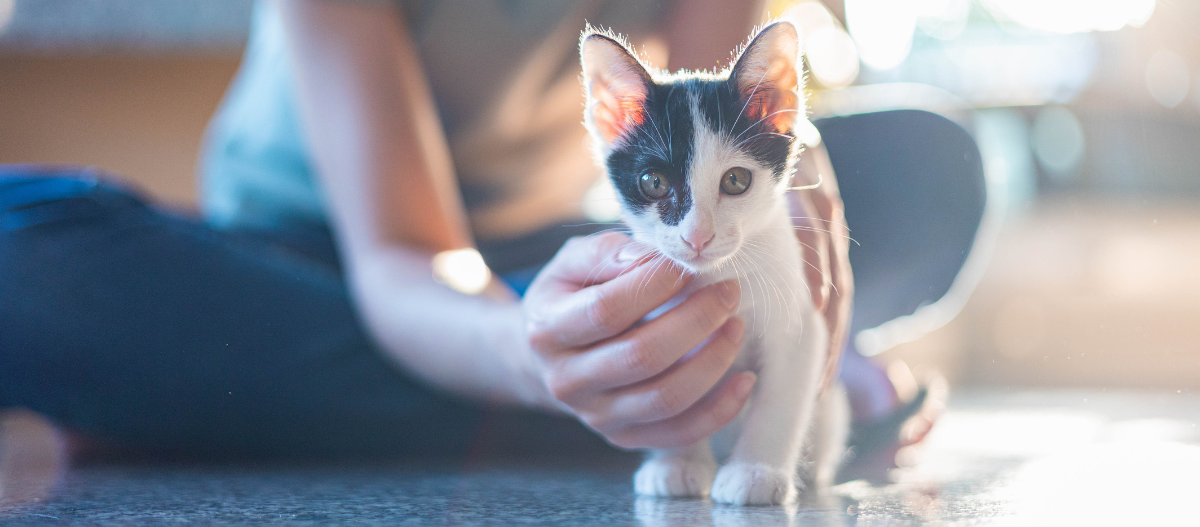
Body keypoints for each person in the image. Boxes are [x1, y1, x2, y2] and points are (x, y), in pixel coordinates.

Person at [0, 0, 983, 472]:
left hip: (547, 254)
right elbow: (403, 254)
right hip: (307, 262)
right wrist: (535, 353)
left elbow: (721, 142)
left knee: (929, 166)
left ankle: (225, 403)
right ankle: (594, 399)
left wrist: (795, 271)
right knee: (25, 256)